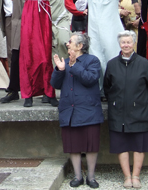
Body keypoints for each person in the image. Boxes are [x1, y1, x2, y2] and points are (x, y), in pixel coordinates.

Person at [104, 30, 148, 189]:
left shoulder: (144, 64)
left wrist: (146, 105)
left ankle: (136, 176)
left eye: (129, 42)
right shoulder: (112, 64)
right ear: (120, 44)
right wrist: (115, 103)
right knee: (121, 145)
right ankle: (126, 176)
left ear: (134, 43)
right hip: (118, 112)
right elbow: (107, 87)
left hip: (139, 112)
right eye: (123, 42)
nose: (126, 45)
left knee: (138, 145)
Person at [51, 32, 103, 189]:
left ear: (80, 46)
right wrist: (60, 70)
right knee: (73, 146)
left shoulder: (92, 61)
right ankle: (78, 176)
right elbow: (55, 84)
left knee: (91, 145)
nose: (67, 44)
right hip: (70, 111)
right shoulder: (64, 62)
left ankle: (91, 177)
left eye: (70, 42)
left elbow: (90, 79)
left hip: (88, 110)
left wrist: (74, 66)